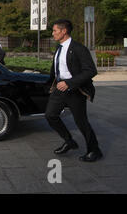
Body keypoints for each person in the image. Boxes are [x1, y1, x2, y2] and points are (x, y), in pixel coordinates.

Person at [45, 19, 102, 162]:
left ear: (64, 31)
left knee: (81, 122)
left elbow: (90, 71)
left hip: (75, 90)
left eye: (55, 31)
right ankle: (69, 141)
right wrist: (47, 84)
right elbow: (55, 70)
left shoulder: (78, 48)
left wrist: (69, 83)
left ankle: (94, 150)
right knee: (50, 115)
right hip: (59, 88)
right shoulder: (58, 48)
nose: (53, 34)